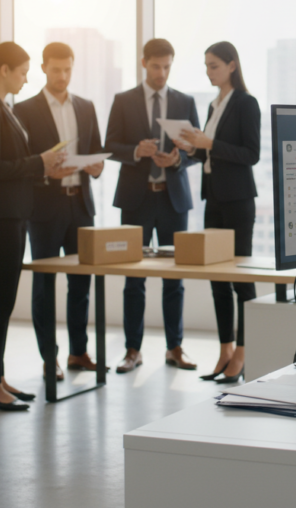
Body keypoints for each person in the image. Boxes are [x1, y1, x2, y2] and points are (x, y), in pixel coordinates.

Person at [0, 42, 75, 411]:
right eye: (24, 72)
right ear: (3, 70)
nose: (27, 79)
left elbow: (11, 165)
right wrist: (39, 162)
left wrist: (43, 167)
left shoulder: (0, 108)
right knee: (0, 302)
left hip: (10, 213)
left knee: (3, 301)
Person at [105, 38, 200, 374]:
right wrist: (135, 151)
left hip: (173, 199)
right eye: (157, 66)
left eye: (168, 66)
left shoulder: (185, 101)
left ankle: (175, 348)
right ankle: (133, 350)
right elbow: (110, 145)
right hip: (136, 198)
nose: (162, 73)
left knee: (176, 278)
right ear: (144, 63)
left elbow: (196, 149)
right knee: (134, 278)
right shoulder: (123, 100)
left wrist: (178, 158)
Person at [14, 42, 106, 382]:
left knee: (81, 282)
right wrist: (42, 171)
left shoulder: (86, 106)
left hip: (80, 204)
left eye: (68, 69)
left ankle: (78, 352)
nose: (62, 76)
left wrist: (96, 167)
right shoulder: (24, 110)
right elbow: (23, 162)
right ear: (43, 68)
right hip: (44, 208)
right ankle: (48, 358)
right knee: (44, 285)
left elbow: (95, 151)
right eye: (56, 70)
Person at [173, 42, 260, 384]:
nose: (208, 71)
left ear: (232, 65)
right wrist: (192, 149)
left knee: (240, 278)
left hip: (238, 201)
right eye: (206, 66)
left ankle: (244, 350)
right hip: (214, 199)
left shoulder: (245, 103)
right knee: (217, 279)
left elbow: (250, 154)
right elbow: (210, 156)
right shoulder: (214, 104)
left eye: (214, 66)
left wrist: (209, 145)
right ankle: (225, 349)